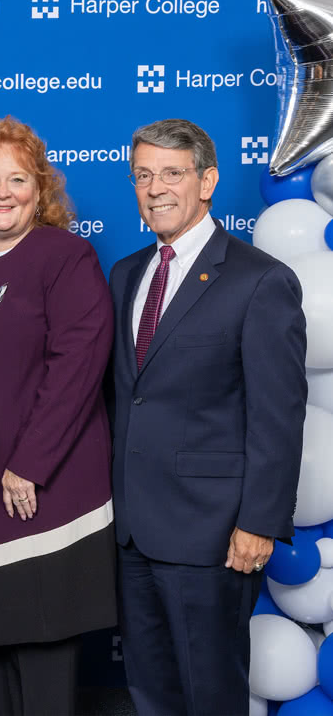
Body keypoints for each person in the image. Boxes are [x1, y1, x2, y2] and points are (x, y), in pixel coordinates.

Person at [109, 118, 307, 715]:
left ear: (208, 181)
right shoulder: (126, 274)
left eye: (172, 173)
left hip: (214, 534)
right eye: (143, 175)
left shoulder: (259, 279)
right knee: (150, 691)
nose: (156, 188)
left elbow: (278, 416)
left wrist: (260, 523)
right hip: (133, 530)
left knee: (211, 693)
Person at [0, 117, 117, 716]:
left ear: (40, 191)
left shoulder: (65, 256)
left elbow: (78, 366)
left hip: (38, 489)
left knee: (41, 660)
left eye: (17, 179)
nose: (2, 192)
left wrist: (29, 465)